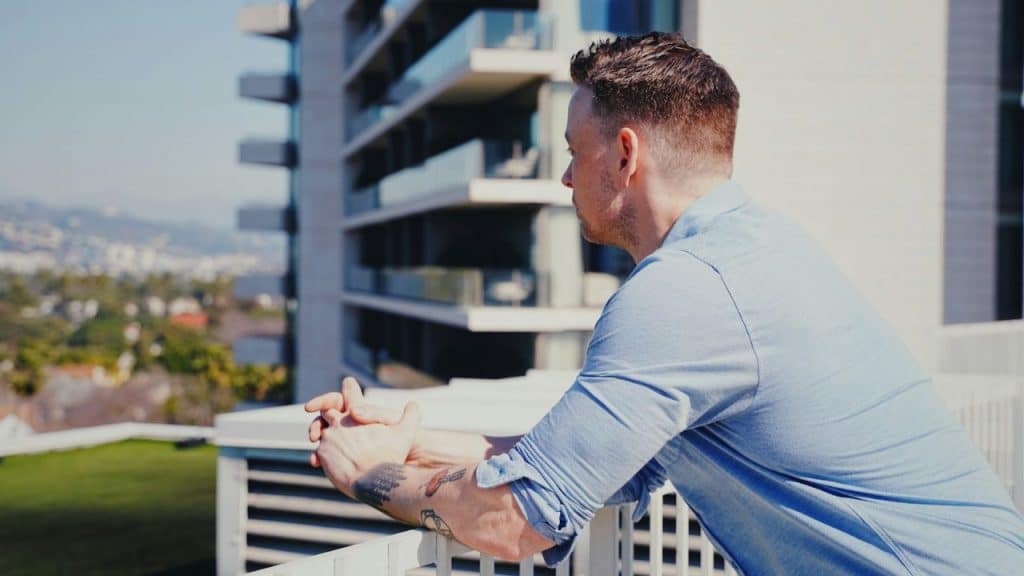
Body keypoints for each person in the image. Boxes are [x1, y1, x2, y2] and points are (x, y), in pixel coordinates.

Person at [305, 32, 1024, 574]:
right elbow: (583, 465)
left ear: (624, 154)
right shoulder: (760, 252)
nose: (563, 177)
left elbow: (515, 519)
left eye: (573, 149)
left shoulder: (687, 291)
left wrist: (368, 473)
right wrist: (412, 438)